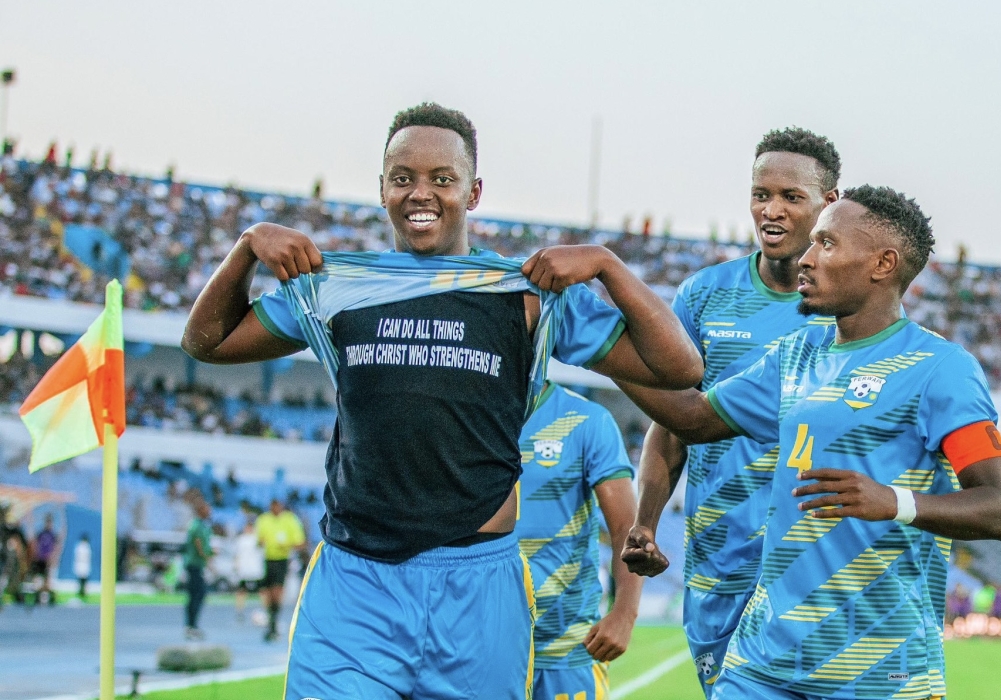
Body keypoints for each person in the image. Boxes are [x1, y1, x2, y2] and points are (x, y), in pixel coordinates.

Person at [181, 102, 701, 699]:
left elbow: (679, 366)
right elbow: (207, 341)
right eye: (402, 178)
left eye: (442, 180)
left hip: (479, 588)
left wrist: (608, 267)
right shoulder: (338, 286)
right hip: (357, 582)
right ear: (381, 189)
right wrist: (247, 248)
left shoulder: (526, 297)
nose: (419, 194)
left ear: (474, 191)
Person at [620, 187, 1001, 699]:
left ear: (883, 264)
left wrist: (894, 502)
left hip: (877, 673)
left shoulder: (941, 370)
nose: (806, 260)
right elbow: (692, 418)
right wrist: (595, 341)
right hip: (760, 664)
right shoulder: (797, 353)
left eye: (826, 244)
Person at [624, 127, 840, 694]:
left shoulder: (849, 311)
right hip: (718, 562)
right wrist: (645, 521)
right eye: (760, 193)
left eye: (792, 197)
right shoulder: (704, 296)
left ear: (829, 204)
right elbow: (672, 426)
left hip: (811, 566)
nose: (771, 210)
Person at [516, 381, 643, 700]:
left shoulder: (587, 419)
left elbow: (627, 526)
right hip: (489, 643)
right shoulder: (470, 413)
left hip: (567, 646)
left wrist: (625, 612)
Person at [255, 499, 305, 641]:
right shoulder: (264, 519)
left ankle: (273, 623)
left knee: (277, 592)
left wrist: (287, 545)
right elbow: (259, 540)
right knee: (267, 593)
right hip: (266, 560)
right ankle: (271, 621)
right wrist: (263, 542)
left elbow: (299, 542)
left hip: (282, 560)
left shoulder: (289, 520)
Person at [182, 499, 213, 640]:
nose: (209, 512)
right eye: (207, 509)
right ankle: (191, 625)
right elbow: (198, 544)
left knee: (197, 595)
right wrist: (207, 559)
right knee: (197, 594)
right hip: (194, 564)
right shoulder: (196, 525)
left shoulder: (202, 525)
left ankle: (191, 625)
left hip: (197, 564)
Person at [232, 521, 265, 622]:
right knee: (241, 592)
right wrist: (236, 566)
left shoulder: (257, 539)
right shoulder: (240, 540)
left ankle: (266, 611)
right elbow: (236, 555)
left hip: (256, 570)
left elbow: (262, 550)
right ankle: (239, 612)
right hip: (244, 571)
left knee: (262, 591)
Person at [30, 514, 60, 606]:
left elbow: (55, 547)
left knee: (47, 580)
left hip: (48, 560)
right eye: (47, 522)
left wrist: (53, 558)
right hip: (41, 559)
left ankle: (50, 598)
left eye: (50, 522)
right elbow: (36, 544)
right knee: (38, 579)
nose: (48, 524)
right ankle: (37, 597)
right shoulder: (41, 533)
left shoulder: (53, 535)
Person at [73, 533, 92, 600]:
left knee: (83, 581)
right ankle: (81, 594)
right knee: (81, 581)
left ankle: (82, 594)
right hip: (82, 565)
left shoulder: (79, 546)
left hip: (82, 565)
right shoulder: (85, 547)